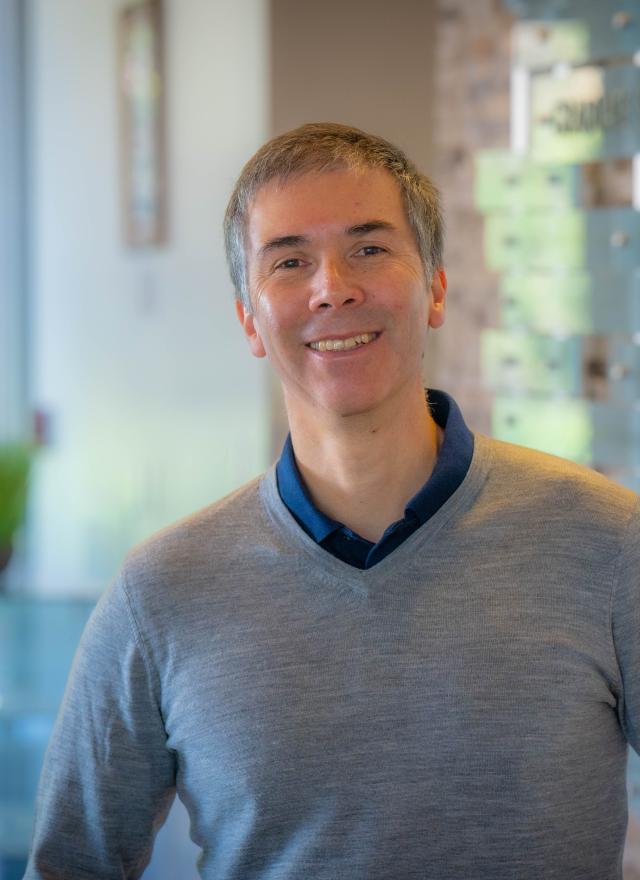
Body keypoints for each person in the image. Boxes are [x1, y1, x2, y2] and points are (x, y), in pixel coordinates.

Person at [25, 123, 640, 880]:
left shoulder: (608, 543)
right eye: (289, 261)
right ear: (249, 319)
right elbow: (71, 866)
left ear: (436, 287)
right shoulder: (161, 592)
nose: (333, 288)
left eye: (370, 249)